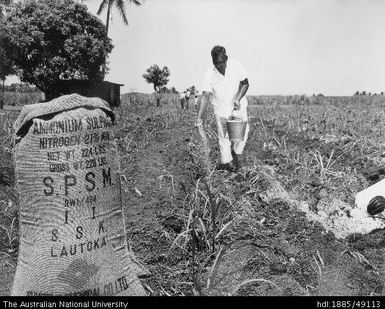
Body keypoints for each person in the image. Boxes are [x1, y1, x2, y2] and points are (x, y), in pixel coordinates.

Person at [196, 45, 249, 172]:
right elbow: (205, 97)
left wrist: (237, 98)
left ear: (226, 59)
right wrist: (199, 118)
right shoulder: (209, 74)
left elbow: (245, 83)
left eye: (221, 63)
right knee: (224, 138)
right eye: (215, 63)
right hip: (221, 110)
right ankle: (227, 165)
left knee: (242, 134)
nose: (218, 67)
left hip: (238, 107)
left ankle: (236, 154)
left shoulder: (236, 65)